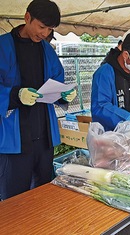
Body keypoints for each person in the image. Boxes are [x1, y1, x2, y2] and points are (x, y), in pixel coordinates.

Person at [0, 0, 77, 200]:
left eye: (49, 29)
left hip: (44, 136)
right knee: (15, 199)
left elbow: (57, 81)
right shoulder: (2, 47)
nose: (44, 34)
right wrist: (15, 95)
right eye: (42, 27)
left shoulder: (47, 50)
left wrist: (63, 94)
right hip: (14, 139)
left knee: (44, 193)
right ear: (27, 18)